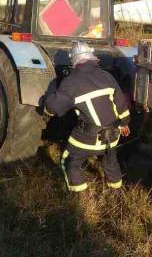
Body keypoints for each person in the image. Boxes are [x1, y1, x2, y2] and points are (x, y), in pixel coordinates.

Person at [43, 41, 131, 192]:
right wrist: (124, 123)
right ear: (92, 57)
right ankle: (116, 192)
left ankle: (78, 195)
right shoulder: (107, 76)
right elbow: (122, 104)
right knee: (111, 163)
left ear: (73, 60)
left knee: (69, 160)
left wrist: (50, 93)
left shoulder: (71, 82)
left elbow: (52, 108)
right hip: (112, 136)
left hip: (87, 138)